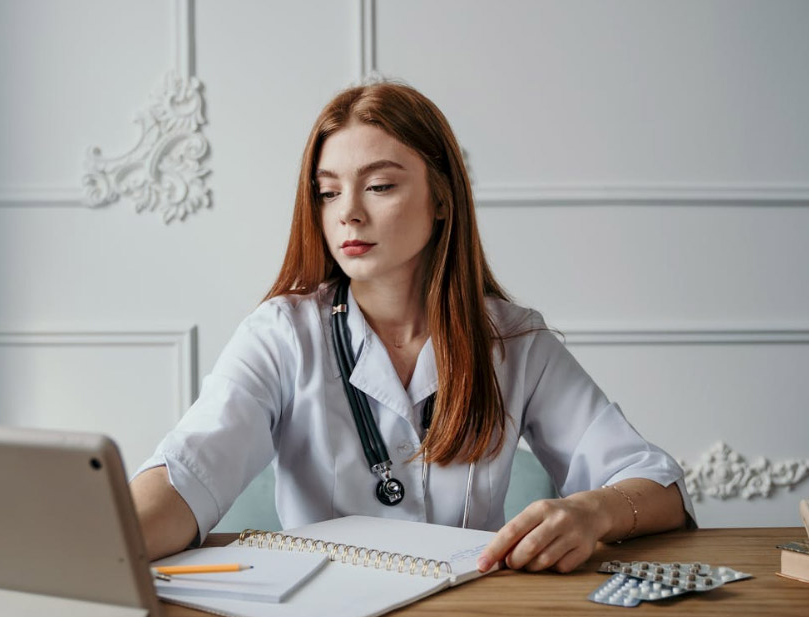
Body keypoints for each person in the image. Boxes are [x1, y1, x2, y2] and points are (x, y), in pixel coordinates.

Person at [130, 81, 693, 573]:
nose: (348, 212)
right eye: (328, 192)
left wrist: (591, 512)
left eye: (379, 186)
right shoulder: (280, 335)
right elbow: (187, 477)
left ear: (441, 198)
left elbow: (658, 485)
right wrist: (105, 544)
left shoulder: (515, 341)